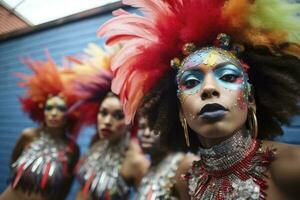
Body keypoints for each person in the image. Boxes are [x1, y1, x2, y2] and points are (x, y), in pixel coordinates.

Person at [98, 0, 300, 199]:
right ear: (180, 111)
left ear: (251, 99)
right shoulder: (186, 180)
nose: (209, 89)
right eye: (192, 81)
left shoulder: (289, 167)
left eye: (228, 77)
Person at [0, 55, 81, 200]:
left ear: (69, 114)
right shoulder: (28, 135)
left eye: (61, 108)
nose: (54, 113)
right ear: (42, 111)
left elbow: (65, 188)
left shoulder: (72, 149)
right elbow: (12, 164)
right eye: (49, 108)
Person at [72, 44, 133, 200]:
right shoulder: (96, 145)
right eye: (103, 113)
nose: (106, 122)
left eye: (118, 116)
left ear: (129, 121)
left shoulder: (133, 159)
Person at [133, 116, 198, 200]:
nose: (146, 133)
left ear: (168, 131)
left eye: (154, 128)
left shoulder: (185, 164)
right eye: (142, 127)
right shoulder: (146, 170)